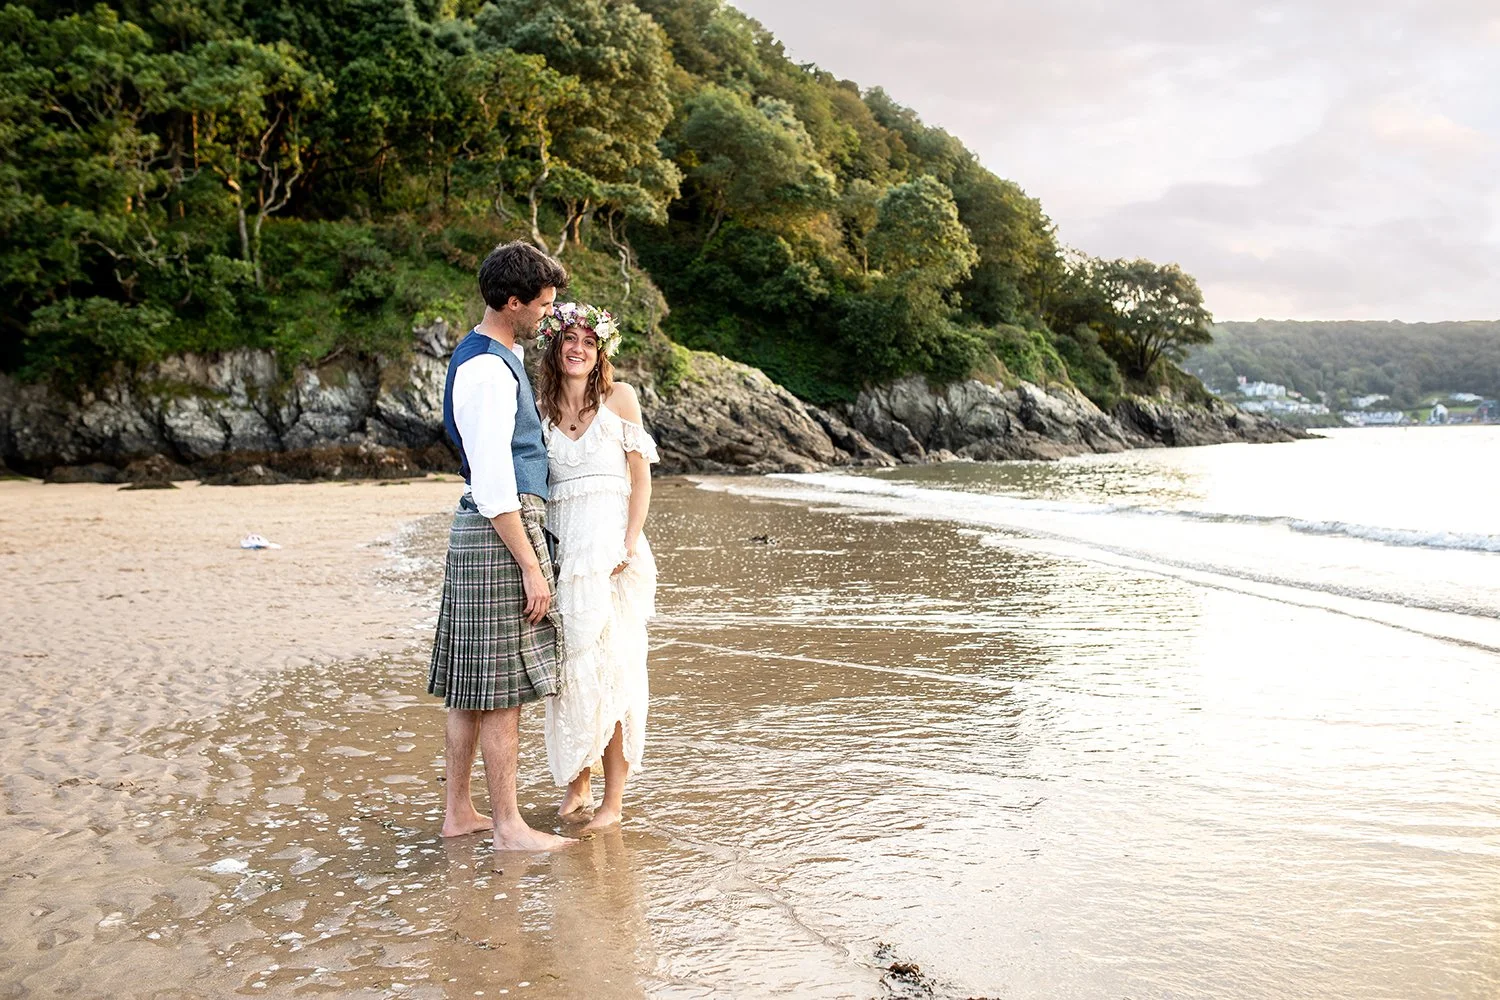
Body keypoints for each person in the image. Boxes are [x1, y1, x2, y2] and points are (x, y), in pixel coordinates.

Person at [427, 241, 575, 852]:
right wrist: (533, 567)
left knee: (471, 684)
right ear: (511, 302)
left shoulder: (494, 353)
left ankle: (459, 813)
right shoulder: (488, 369)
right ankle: (508, 826)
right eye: (542, 305)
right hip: (499, 532)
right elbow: (493, 483)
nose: (548, 315)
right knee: (502, 689)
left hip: (486, 532)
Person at [534, 302, 659, 831]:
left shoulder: (620, 399)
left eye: (588, 340)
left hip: (612, 552)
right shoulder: (540, 407)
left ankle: (613, 801)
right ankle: (576, 785)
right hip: (564, 552)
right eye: (569, 339)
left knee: (613, 673)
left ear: (600, 349)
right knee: (570, 676)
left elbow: (642, 481)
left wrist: (628, 545)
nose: (577, 348)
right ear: (556, 346)